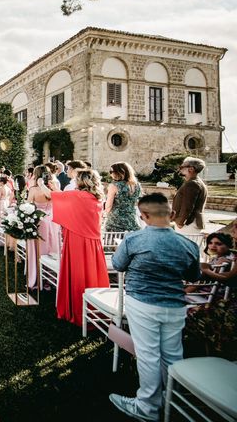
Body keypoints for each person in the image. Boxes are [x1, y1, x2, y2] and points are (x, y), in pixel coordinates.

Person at [109, 193, 200, 422]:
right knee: (172, 355)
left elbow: (118, 264)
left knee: (148, 355)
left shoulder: (134, 240)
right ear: (171, 214)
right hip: (176, 304)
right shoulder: (188, 244)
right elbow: (194, 275)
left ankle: (147, 408)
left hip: (143, 303)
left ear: (144, 215)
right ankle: (172, 400)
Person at [48, 169, 109, 325]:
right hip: (94, 242)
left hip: (77, 240)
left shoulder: (77, 195)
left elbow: (54, 195)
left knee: (77, 274)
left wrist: (46, 184)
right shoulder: (97, 198)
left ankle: (77, 308)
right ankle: (96, 307)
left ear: (81, 181)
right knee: (91, 274)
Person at [172, 157, 207, 235]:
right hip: (191, 223)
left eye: (182, 167)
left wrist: (181, 222)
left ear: (191, 169)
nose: (179, 169)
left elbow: (188, 206)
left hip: (188, 224)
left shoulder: (192, 184)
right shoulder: (195, 182)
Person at [104, 162, 142, 232]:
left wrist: (104, 215)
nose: (110, 174)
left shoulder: (114, 186)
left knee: (114, 241)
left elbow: (108, 207)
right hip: (132, 219)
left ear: (120, 172)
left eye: (112, 171)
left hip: (115, 221)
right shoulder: (137, 185)